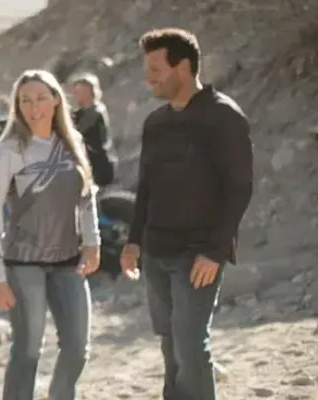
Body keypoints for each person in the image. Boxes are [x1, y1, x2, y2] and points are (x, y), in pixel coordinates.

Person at [121, 28, 253, 400]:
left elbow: (239, 188)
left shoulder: (223, 116)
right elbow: (146, 186)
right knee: (170, 342)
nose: (149, 78)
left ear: (183, 67)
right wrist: (133, 241)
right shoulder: (155, 122)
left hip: (198, 255)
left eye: (156, 70)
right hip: (156, 251)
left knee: (191, 345)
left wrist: (215, 250)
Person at [0, 69, 101, 400]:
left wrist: (93, 242)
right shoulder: (8, 151)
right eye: (25, 101)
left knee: (77, 347)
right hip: (23, 263)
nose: (34, 108)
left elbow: (86, 197)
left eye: (41, 98)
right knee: (29, 349)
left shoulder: (72, 144)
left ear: (56, 100)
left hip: (69, 261)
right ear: (17, 106)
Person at [67, 73, 116, 187]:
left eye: (78, 92)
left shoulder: (96, 111)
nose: (74, 95)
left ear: (88, 92)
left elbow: (78, 131)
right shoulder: (82, 112)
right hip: (90, 163)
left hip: (99, 165)